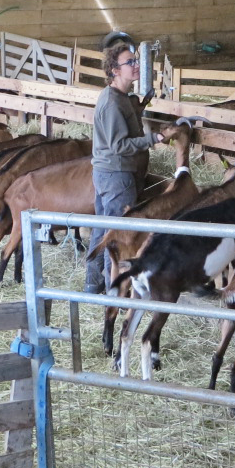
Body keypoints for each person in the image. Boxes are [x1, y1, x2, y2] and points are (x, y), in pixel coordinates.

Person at [84, 40, 158, 294]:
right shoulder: (113, 103)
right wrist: (154, 138)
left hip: (106, 172)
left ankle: (92, 285)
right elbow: (119, 145)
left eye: (136, 61)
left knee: (102, 230)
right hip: (117, 174)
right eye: (130, 62)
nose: (136, 65)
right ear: (115, 70)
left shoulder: (120, 97)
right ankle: (113, 291)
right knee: (116, 235)